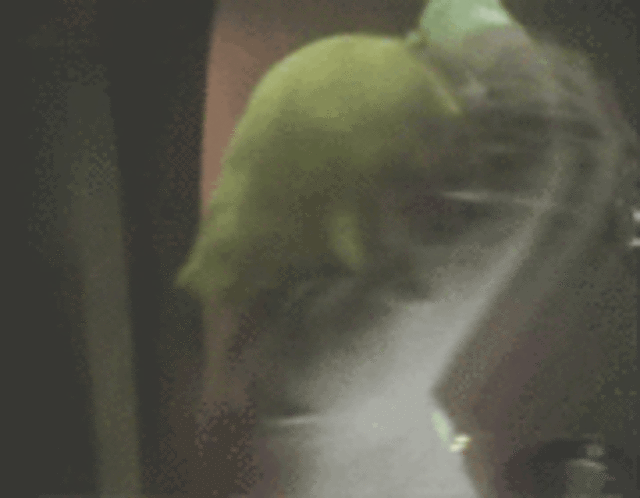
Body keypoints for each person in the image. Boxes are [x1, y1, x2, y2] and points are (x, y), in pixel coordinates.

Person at [177, 1, 638, 496]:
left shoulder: (278, 354)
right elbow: (560, 143)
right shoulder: (326, 378)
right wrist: (466, 16)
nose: (448, 197)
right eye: (436, 162)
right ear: (375, 183)